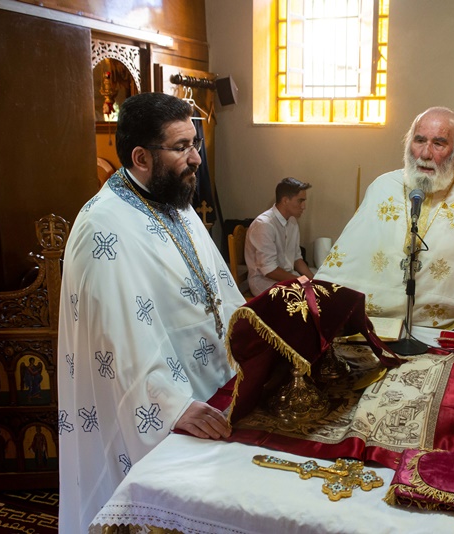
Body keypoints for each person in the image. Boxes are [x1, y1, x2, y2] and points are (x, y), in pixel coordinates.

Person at [57, 92, 245, 532]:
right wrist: (173, 405)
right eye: (182, 147)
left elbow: (220, 288)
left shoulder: (173, 201)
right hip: (162, 405)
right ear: (141, 157)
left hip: (215, 385)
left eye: (194, 143)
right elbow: (117, 341)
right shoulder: (104, 226)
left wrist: (255, 340)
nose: (197, 158)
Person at [316, 107, 454, 337]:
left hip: (446, 330)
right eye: (419, 140)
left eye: (439, 144)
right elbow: (345, 261)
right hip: (376, 327)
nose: (425, 153)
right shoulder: (381, 188)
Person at [245, 177, 316, 296]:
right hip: (265, 282)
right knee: (306, 299)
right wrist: (301, 281)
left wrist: (314, 280)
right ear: (285, 200)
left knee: (320, 292)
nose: (304, 206)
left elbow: (297, 259)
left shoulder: (292, 222)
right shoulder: (264, 224)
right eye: (300, 201)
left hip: (286, 277)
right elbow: (269, 270)